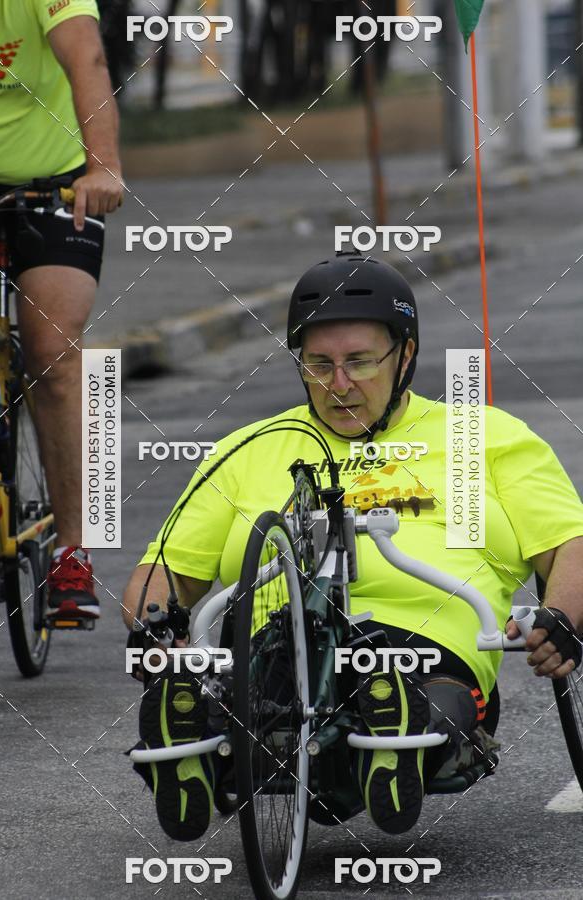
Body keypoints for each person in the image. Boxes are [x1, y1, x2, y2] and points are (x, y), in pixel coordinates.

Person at [123, 252, 583, 840]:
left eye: (360, 362)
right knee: (257, 687)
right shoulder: (248, 448)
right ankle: (196, 734)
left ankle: (389, 729)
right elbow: (164, 570)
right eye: (319, 364)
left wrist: (562, 616)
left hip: (426, 642)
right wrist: (156, 627)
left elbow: (569, 544)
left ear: (405, 356)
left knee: (414, 683)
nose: (338, 384)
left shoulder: (484, 437)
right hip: (279, 642)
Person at [0, 0, 123, 621]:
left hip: (53, 182)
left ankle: (73, 551)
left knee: (54, 356)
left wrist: (103, 167)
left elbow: (87, 59)